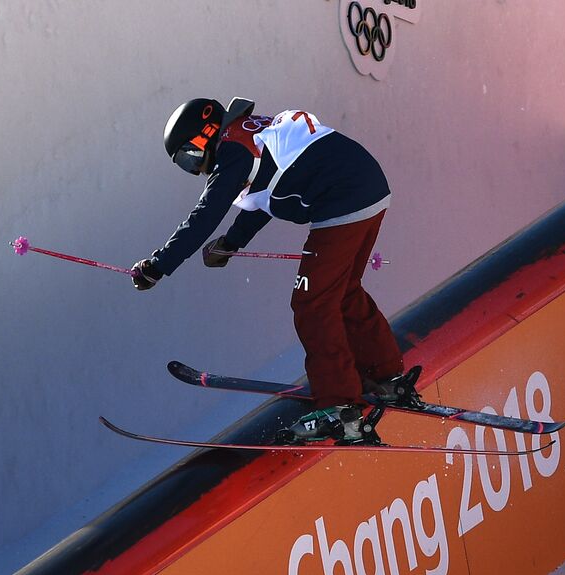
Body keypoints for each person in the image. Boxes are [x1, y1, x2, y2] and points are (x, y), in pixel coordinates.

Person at [130, 97, 418, 444]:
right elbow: (267, 193)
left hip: (343, 199)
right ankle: (386, 376)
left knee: (312, 304)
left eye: (190, 157)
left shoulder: (231, 152)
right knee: (342, 292)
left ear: (205, 135)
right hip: (366, 188)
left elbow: (205, 214)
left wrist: (158, 265)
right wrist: (232, 243)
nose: (196, 168)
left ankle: (338, 407)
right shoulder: (247, 138)